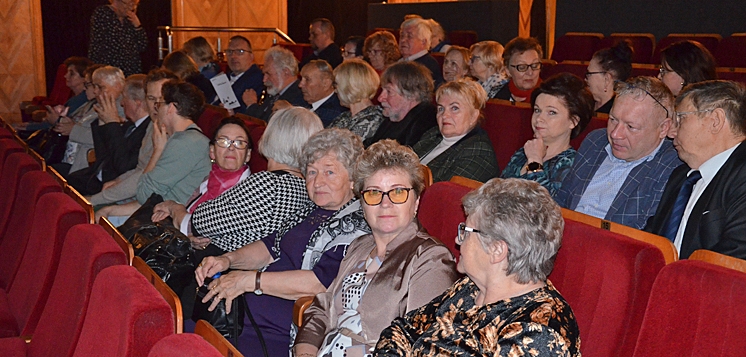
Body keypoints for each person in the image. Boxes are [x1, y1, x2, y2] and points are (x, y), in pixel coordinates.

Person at [194, 128, 369, 357]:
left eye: (329, 173)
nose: (317, 182)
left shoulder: (357, 226)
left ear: (354, 177)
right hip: (241, 318)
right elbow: (269, 247)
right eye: (312, 172)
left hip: (280, 333)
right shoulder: (310, 210)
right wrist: (227, 259)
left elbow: (320, 284)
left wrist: (251, 281)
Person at [375, 178, 581, 356]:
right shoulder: (470, 287)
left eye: (466, 230)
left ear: (497, 250)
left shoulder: (539, 331)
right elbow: (403, 330)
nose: (457, 239)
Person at [293, 139, 459, 356]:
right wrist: (306, 352)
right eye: (373, 193)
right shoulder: (359, 247)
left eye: (397, 192)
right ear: (361, 203)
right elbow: (322, 308)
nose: (385, 203)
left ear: (416, 201)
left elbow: (419, 344)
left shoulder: (430, 258)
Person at [555, 76, 682, 230]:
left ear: (663, 128)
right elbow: (561, 201)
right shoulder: (596, 141)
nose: (615, 134)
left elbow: (644, 234)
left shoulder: (671, 165)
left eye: (630, 126)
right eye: (613, 120)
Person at [190, 107, 323, 253]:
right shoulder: (310, 190)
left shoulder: (268, 184)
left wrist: (175, 209)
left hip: (222, 267)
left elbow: (199, 222)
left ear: (272, 138)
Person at [646, 80, 746, 260]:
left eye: (680, 119)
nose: (671, 132)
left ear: (715, 121)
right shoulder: (681, 177)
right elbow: (652, 238)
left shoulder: (742, 175)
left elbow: (733, 257)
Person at [95, 80, 212, 222]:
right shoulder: (184, 138)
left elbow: (145, 195)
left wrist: (157, 151)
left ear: (171, 108)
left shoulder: (186, 143)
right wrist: (110, 209)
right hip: (158, 212)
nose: (156, 109)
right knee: (101, 213)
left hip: (169, 223)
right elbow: (151, 196)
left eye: (160, 104)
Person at [151, 117, 253, 243]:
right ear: (212, 151)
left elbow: (194, 227)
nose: (231, 148)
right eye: (223, 141)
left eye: (239, 142)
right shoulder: (209, 179)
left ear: (248, 154)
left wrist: (173, 207)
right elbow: (190, 222)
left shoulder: (249, 191)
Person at [89, 69, 178, 207]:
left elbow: (137, 174)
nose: (156, 106)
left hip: (156, 205)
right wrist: (119, 181)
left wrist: (93, 201)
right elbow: (138, 168)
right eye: (151, 98)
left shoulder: (174, 133)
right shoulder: (153, 125)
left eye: (161, 99)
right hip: (134, 195)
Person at [501, 73, 595, 196]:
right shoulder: (524, 151)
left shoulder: (572, 166)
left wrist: (535, 162)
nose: (539, 118)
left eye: (551, 112)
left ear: (573, 121)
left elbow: (548, 208)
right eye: (537, 110)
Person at [67, 73, 151, 195]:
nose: (122, 103)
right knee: (66, 180)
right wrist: (104, 122)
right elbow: (103, 156)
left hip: (115, 185)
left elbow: (123, 166)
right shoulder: (131, 125)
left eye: (125, 98)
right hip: (98, 176)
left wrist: (112, 124)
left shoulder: (147, 130)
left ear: (137, 103)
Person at [413, 80, 499, 183]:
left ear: (473, 116)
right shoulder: (432, 134)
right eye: (441, 108)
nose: (444, 115)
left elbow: (444, 194)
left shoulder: (479, 153)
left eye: (454, 108)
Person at [53, 65, 125, 175]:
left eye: (100, 87)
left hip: (89, 166)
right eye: (94, 86)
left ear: (118, 86)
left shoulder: (121, 107)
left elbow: (106, 137)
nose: (95, 91)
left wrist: (73, 130)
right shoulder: (100, 103)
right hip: (76, 160)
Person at [364, 61, 437, 147]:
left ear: (411, 94)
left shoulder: (425, 123)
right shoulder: (392, 117)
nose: (380, 98)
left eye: (389, 91)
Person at [243, 46, 309, 121]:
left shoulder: (301, 96)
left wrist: (251, 105)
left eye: (268, 74)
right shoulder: (276, 93)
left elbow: (268, 123)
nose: (264, 80)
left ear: (285, 72)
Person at [87, 0, 147, 76]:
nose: (132, 8)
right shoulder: (103, 13)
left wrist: (137, 26)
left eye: (135, 4)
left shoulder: (129, 20)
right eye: (128, 4)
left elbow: (142, 45)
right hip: (107, 68)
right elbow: (115, 42)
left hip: (130, 70)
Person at [329, 59, 384, 141]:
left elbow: (347, 150)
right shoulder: (344, 117)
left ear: (350, 87)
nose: (335, 90)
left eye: (336, 84)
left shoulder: (373, 119)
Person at [586, 40, 634, 114]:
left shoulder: (619, 115)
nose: (585, 79)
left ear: (607, 79)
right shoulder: (585, 105)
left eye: (589, 74)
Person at [221, 36, 263, 113]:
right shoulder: (223, 77)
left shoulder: (257, 79)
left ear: (251, 56)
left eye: (240, 52)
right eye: (229, 52)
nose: (233, 56)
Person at [494, 37, 543, 103]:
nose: (530, 72)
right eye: (522, 67)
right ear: (508, 71)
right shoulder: (497, 99)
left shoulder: (551, 98)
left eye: (534, 65)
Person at [299, 60, 347, 126]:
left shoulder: (334, 113)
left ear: (326, 83)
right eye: (301, 79)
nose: (300, 84)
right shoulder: (301, 100)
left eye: (307, 79)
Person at [398, 18, 444, 87]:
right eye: (402, 36)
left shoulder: (427, 66)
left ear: (423, 42)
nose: (403, 40)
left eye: (409, 36)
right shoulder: (399, 61)